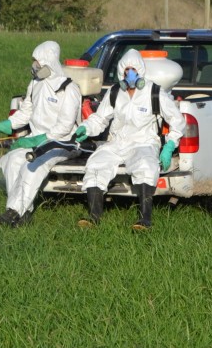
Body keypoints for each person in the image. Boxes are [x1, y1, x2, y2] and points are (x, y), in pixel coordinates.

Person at [73, 48, 186, 231]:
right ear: (121, 72)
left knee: (145, 166)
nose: (130, 74)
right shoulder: (115, 92)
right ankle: (93, 217)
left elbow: (177, 120)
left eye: (133, 69)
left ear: (140, 70)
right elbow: (100, 118)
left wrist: (170, 144)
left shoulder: (154, 92)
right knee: (96, 164)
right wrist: (86, 127)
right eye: (126, 70)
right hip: (117, 142)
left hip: (144, 142)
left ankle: (145, 219)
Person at [0, 40, 82, 227]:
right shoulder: (35, 83)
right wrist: (4, 125)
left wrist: (38, 139)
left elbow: (65, 127)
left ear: (48, 61)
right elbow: (25, 113)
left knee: (33, 163)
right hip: (37, 141)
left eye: (37, 61)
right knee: (12, 161)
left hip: (64, 143)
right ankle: (22, 213)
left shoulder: (69, 88)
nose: (34, 66)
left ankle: (13, 212)